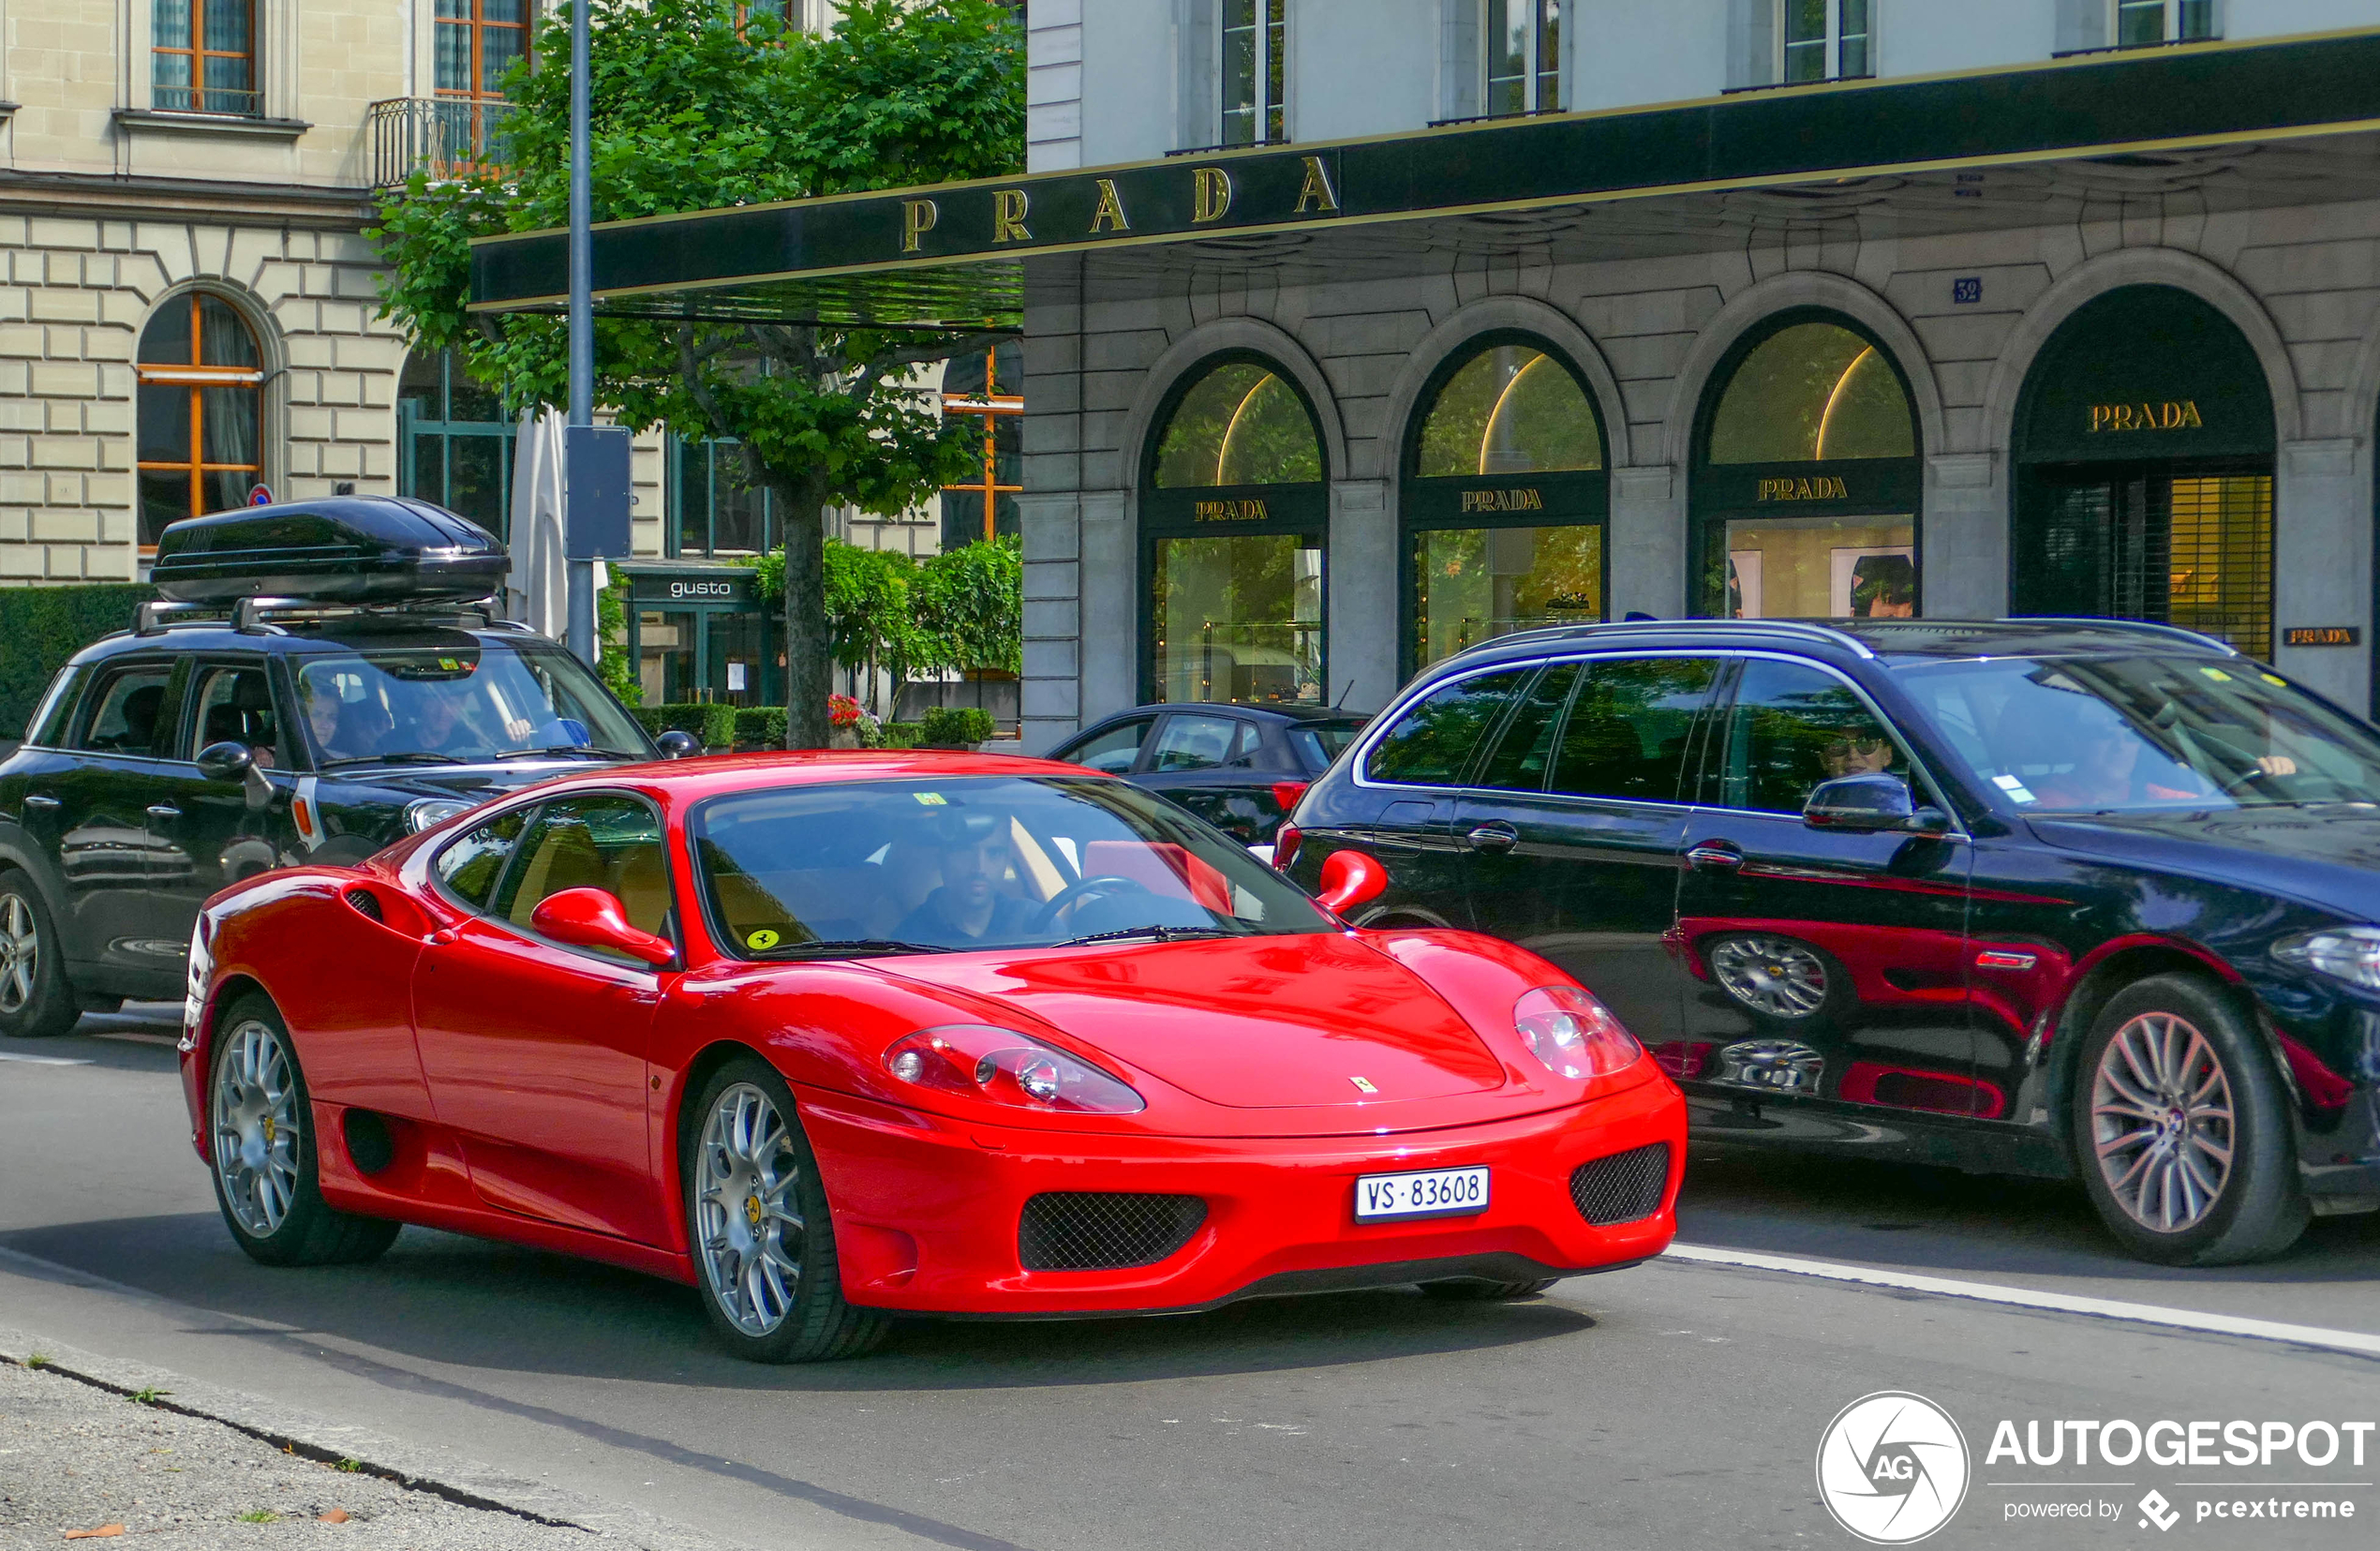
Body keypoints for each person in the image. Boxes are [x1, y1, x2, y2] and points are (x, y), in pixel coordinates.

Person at [895, 809, 1034, 946]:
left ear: (1007, 859)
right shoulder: (907, 941)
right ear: (941, 856)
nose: (980, 868)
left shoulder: (1035, 922)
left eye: (994, 853)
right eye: (965, 851)